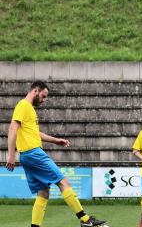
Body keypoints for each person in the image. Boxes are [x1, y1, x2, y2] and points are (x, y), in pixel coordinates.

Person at [5, 81, 107, 227]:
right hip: (33, 153)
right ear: (35, 91)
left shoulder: (29, 109)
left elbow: (35, 133)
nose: (44, 100)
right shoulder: (23, 106)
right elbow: (12, 128)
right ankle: (85, 220)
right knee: (63, 182)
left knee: (43, 192)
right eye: (43, 96)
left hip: (27, 156)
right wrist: (10, 155)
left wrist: (55, 140)